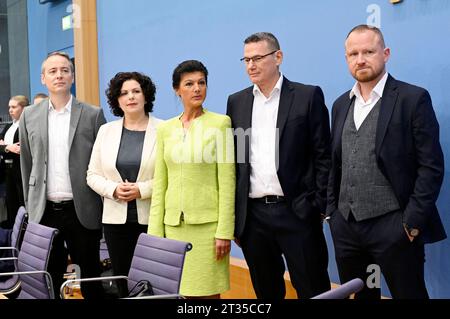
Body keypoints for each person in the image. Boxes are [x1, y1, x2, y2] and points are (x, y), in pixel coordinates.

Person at [327, 25, 446, 299]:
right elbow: (337, 163)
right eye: (353, 53)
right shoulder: (340, 105)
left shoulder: (412, 99)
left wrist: (411, 222)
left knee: (409, 294)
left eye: (368, 51)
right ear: (346, 58)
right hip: (347, 228)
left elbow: (431, 167)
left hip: (394, 227)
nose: (360, 59)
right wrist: (332, 213)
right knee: (362, 296)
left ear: (386, 53)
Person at [226, 32, 331, 299]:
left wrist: (317, 206)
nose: (251, 65)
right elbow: (237, 161)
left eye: (258, 58)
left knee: (312, 288)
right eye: (246, 59)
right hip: (254, 218)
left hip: (297, 211)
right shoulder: (236, 102)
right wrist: (239, 218)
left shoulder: (307, 96)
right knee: (266, 292)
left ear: (278, 57)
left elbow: (323, 155)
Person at [19, 52, 106, 299]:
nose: (59, 75)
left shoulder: (92, 114)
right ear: (43, 78)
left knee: (90, 278)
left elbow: (102, 162)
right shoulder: (29, 115)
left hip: (82, 210)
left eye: (65, 70)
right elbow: (27, 163)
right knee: (49, 277)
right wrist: (30, 203)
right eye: (53, 71)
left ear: (73, 76)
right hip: (44, 211)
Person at [148, 60, 235, 298]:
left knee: (207, 295)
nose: (197, 88)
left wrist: (224, 231)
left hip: (208, 230)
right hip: (172, 228)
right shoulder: (165, 129)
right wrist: (155, 235)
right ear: (177, 89)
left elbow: (228, 182)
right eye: (189, 84)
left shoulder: (221, 123)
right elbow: (160, 185)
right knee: (175, 294)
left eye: (201, 83)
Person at [87, 72, 163, 297]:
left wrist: (143, 189)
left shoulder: (165, 129)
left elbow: (173, 177)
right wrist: (113, 189)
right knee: (123, 280)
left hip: (152, 219)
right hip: (115, 223)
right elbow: (92, 175)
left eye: (136, 91)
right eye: (124, 93)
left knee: (153, 283)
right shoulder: (106, 131)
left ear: (146, 95)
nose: (130, 97)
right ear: (117, 100)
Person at [0, 95, 28, 228]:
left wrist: (4, 146)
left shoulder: (27, 126)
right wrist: (7, 147)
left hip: (21, 170)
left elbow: (22, 148)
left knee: (22, 203)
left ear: (23, 108)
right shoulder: (8, 127)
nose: (10, 110)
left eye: (14, 107)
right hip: (7, 171)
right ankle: (13, 237)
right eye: (9, 107)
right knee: (10, 204)